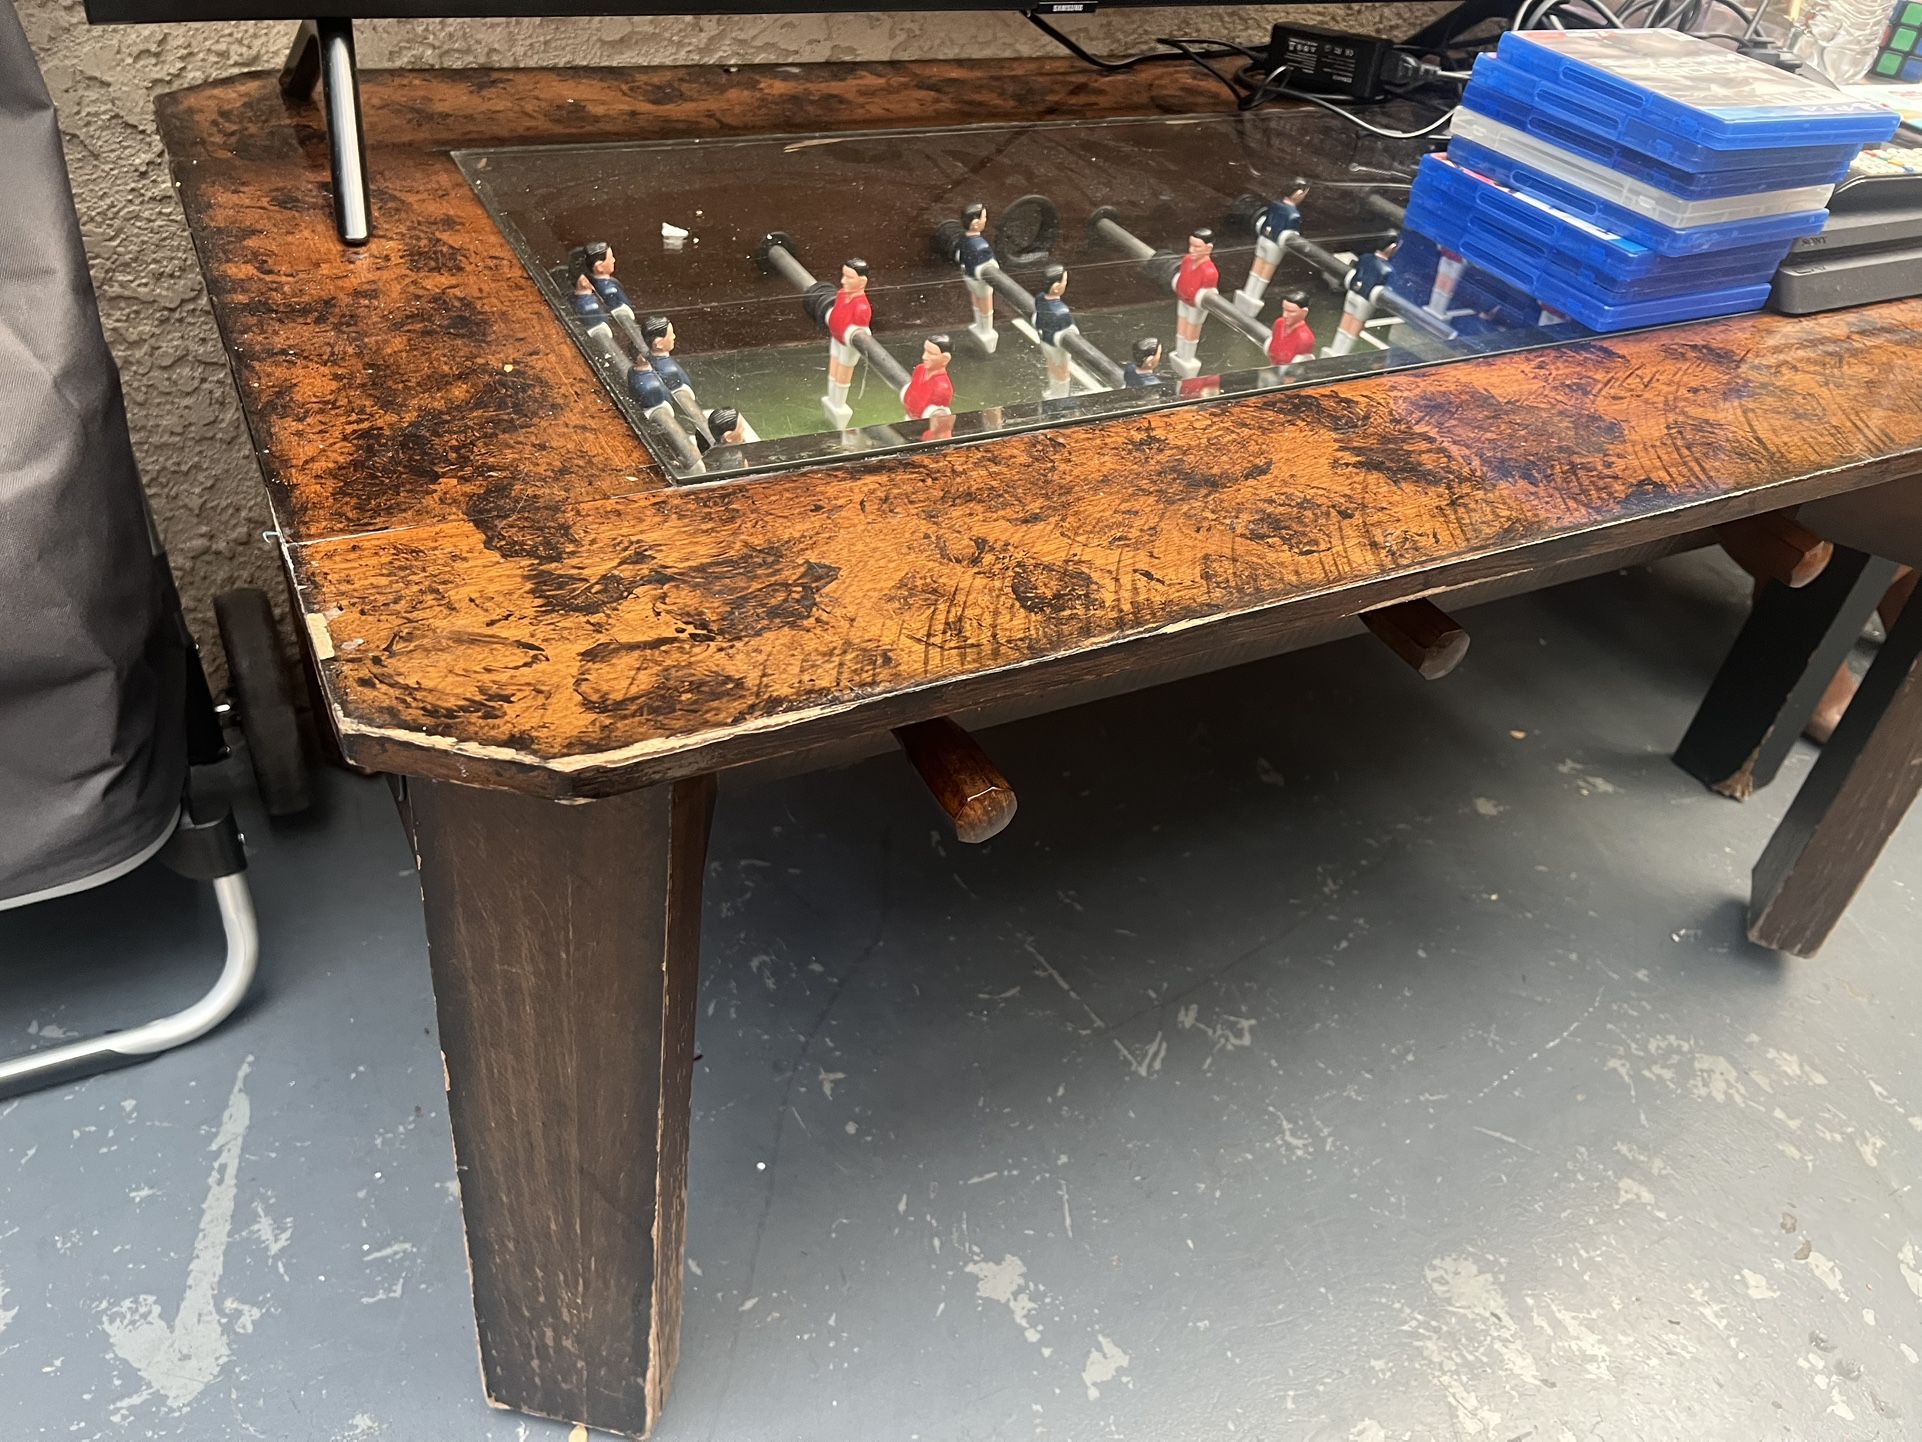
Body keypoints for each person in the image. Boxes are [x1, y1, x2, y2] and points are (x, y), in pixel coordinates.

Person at [1234, 179, 1309, 315]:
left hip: (1263, 239)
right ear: (1298, 194)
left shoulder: (1275, 205)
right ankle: (1253, 300)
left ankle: (1246, 295)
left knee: (1256, 270)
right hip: (1274, 246)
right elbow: (1291, 236)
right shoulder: (1294, 215)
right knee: (1264, 273)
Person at [1328, 237, 1397, 357]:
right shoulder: (1387, 270)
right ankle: (1343, 353)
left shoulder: (1365, 258)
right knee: (1354, 326)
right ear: (1391, 248)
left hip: (1353, 293)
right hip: (1365, 299)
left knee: (1345, 321)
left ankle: (1335, 349)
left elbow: (1356, 273)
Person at [823, 258, 872, 427]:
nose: (843, 281)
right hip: (836, 339)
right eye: (843, 275)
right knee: (833, 369)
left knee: (843, 372)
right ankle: (832, 400)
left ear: (862, 281)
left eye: (849, 277)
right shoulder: (841, 295)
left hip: (847, 345)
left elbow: (862, 331)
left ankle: (838, 404)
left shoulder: (862, 307)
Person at [1170, 228, 1218, 378]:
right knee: (1181, 328)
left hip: (1195, 306)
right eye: (1191, 245)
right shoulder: (1186, 260)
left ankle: (1186, 358)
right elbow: (1181, 276)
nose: (1192, 250)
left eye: (1197, 247)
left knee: (1191, 330)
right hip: (1182, 299)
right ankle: (1179, 354)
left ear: (1208, 248)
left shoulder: (1209, 272)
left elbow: (1208, 294)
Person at [957, 203, 999, 352]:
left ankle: (979, 325)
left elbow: (960, 255)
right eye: (984, 218)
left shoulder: (963, 239)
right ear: (975, 223)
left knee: (976, 301)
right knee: (985, 304)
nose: (985, 220)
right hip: (980, 281)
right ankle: (986, 330)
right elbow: (990, 265)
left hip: (968, 276)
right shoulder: (981, 246)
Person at [1031, 265, 1077, 399]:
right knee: (1062, 370)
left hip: (1045, 340)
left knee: (1052, 365)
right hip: (1057, 346)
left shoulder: (1040, 298)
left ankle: (1054, 391)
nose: (1065, 285)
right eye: (1064, 282)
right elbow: (1071, 330)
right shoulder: (1062, 312)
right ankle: (1061, 395)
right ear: (1056, 287)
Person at [1265, 289, 1315, 369]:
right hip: (1273, 367)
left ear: (1304, 312)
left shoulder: (1304, 338)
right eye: (1284, 309)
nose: (1285, 315)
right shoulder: (1279, 323)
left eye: (1291, 311)